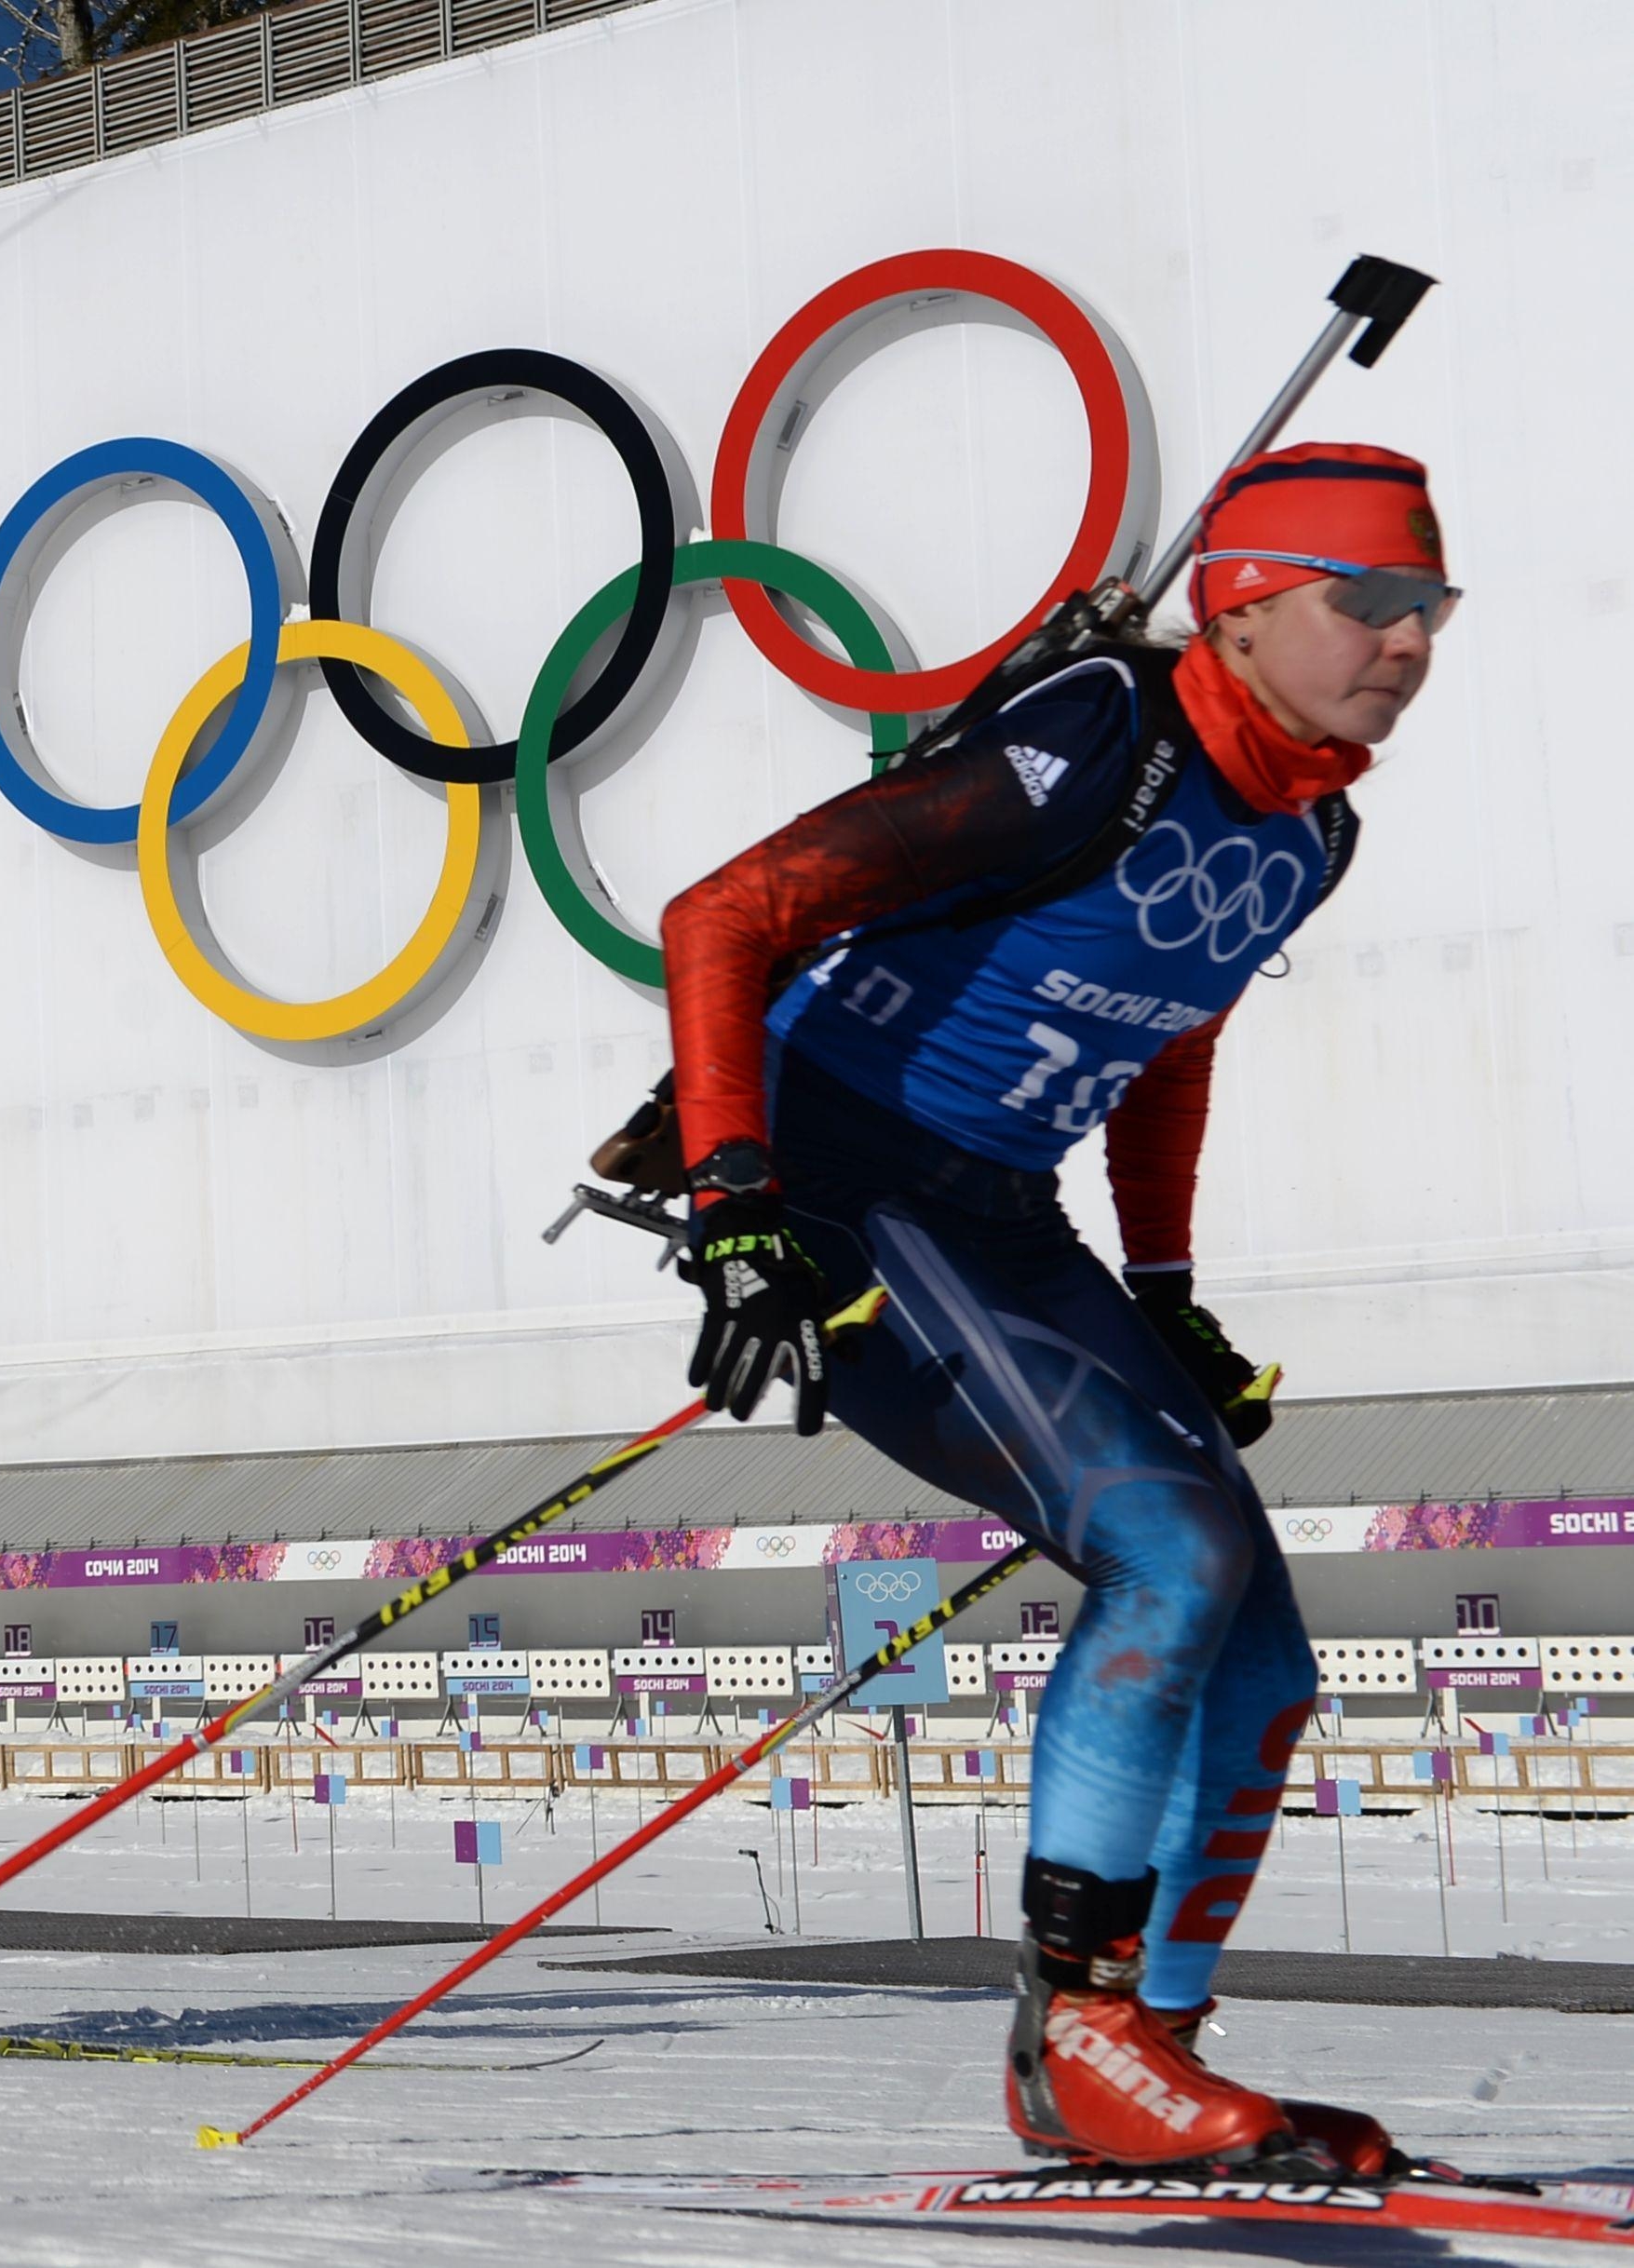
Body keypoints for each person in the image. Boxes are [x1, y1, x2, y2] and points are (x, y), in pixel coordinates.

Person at [657, 444, 1449, 2171]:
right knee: (1169, 1556)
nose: (1402, 640)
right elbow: (723, 912)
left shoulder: (1313, 829)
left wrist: (1163, 1291)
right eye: (1365, 601)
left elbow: (1172, 1040)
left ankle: (1138, 2051)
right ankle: (1082, 2040)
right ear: (1238, 607)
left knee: (1266, 1661)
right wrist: (732, 1208)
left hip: (1005, 1214)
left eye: (1426, 608)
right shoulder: (1108, 734)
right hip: (843, 1184)